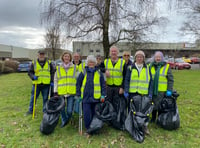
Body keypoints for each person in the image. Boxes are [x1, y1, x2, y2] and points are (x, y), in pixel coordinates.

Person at [124, 50, 153, 134]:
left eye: (141, 57)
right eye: (138, 57)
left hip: (143, 93)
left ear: (143, 58)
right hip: (132, 92)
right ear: (135, 58)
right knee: (131, 110)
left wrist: (150, 93)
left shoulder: (147, 68)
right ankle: (131, 126)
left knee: (143, 111)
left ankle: (144, 126)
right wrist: (126, 90)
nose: (139, 58)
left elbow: (151, 81)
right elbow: (127, 80)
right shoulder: (130, 67)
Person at [76, 55, 106, 135]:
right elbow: (78, 84)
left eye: (93, 62)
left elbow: (103, 84)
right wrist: (78, 94)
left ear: (95, 63)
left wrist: (103, 95)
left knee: (95, 113)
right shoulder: (83, 72)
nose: (91, 63)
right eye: (90, 62)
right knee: (86, 113)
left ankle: (94, 128)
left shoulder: (99, 73)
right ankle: (88, 128)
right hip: (85, 97)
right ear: (87, 63)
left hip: (96, 97)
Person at [54, 51, 79, 127]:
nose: (66, 58)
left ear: (70, 58)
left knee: (69, 110)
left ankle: (68, 118)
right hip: (61, 91)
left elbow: (79, 79)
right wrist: (55, 91)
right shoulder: (58, 68)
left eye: (68, 56)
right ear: (63, 58)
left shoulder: (75, 68)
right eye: (65, 56)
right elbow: (55, 80)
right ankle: (64, 120)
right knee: (61, 108)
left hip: (71, 92)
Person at [26, 50, 54, 115]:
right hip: (36, 84)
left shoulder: (49, 63)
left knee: (45, 99)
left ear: (44, 55)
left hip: (46, 84)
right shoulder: (34, 63)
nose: (41, 55)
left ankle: (45, 110)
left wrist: (52, 81)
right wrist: (33, 77)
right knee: (33, 98)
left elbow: (52, 72)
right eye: (40, 54)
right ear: (38, 55)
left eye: (43, 54)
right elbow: (30, 72)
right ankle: (30, 110)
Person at [149, 51, 174, 123]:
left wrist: (169, 90)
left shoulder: (166, 66)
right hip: (152, 90)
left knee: (160, 106)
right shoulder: (150, 66)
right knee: (153, 104)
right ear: (154, 58)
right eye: (156, 57)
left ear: (162, 58)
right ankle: (153, 118)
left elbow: (170, 80)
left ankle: (160, 119)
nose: (158, 58)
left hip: (162, 90)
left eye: (159, 57)